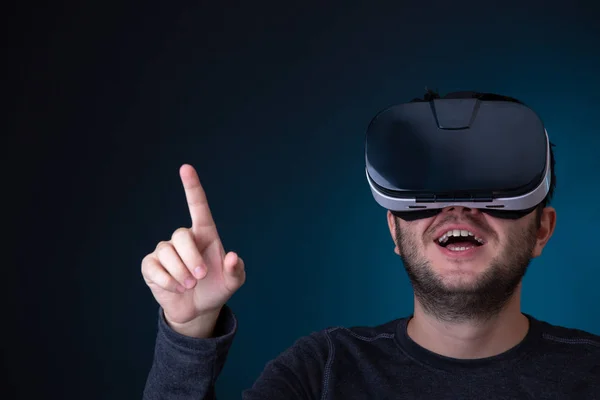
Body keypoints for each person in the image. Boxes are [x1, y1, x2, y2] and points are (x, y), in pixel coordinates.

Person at [141, 91, 600, 399]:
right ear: (394, 231)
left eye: (490, 186)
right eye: (427, 188)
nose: (458, 208)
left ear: (542, 229)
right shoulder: (320, 371)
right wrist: (189, 336)